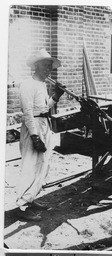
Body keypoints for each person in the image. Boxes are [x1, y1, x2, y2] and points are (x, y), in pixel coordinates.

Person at [16, 49, 64, 221]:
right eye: (45, 65)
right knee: (30, 165)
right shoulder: (27, 84)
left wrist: (56, 96)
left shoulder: (42, 84)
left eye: (50, 66)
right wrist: (35, 137)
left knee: (43, 164)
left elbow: (44, 108)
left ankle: (31, 198)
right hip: (32, 128)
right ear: (36, 66)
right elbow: (28, 113)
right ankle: (22, 206)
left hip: (44, 125)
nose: (48, 69)